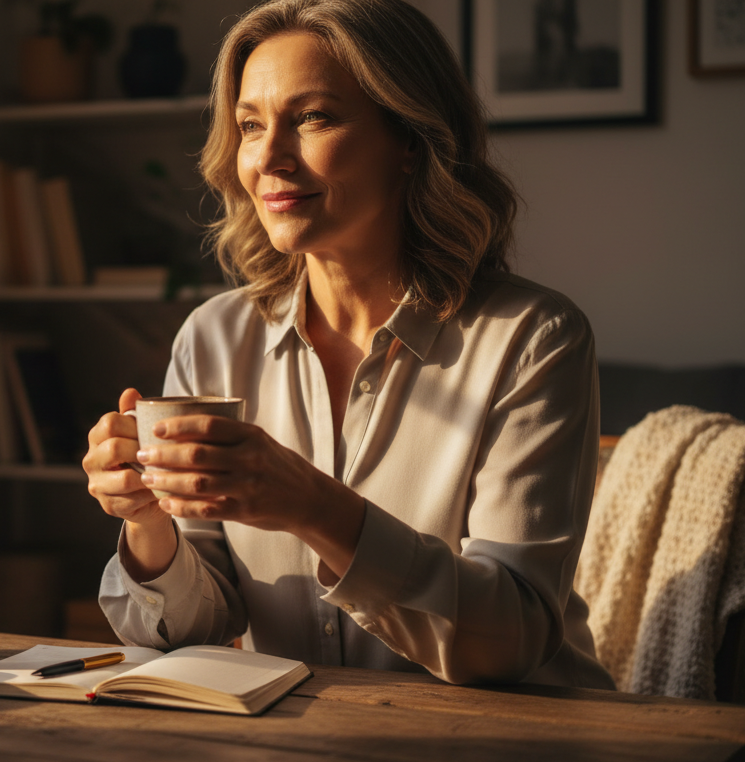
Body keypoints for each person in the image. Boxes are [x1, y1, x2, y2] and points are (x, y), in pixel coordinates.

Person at [83, 0, 615, 689]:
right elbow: (194, 628)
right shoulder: (215, 336)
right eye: (249, 125)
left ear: (411, 140)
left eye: (313, 118)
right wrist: (146, 521)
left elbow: (511, 639)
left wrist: (316, 507)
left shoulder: (533, 341)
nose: (269, 157)